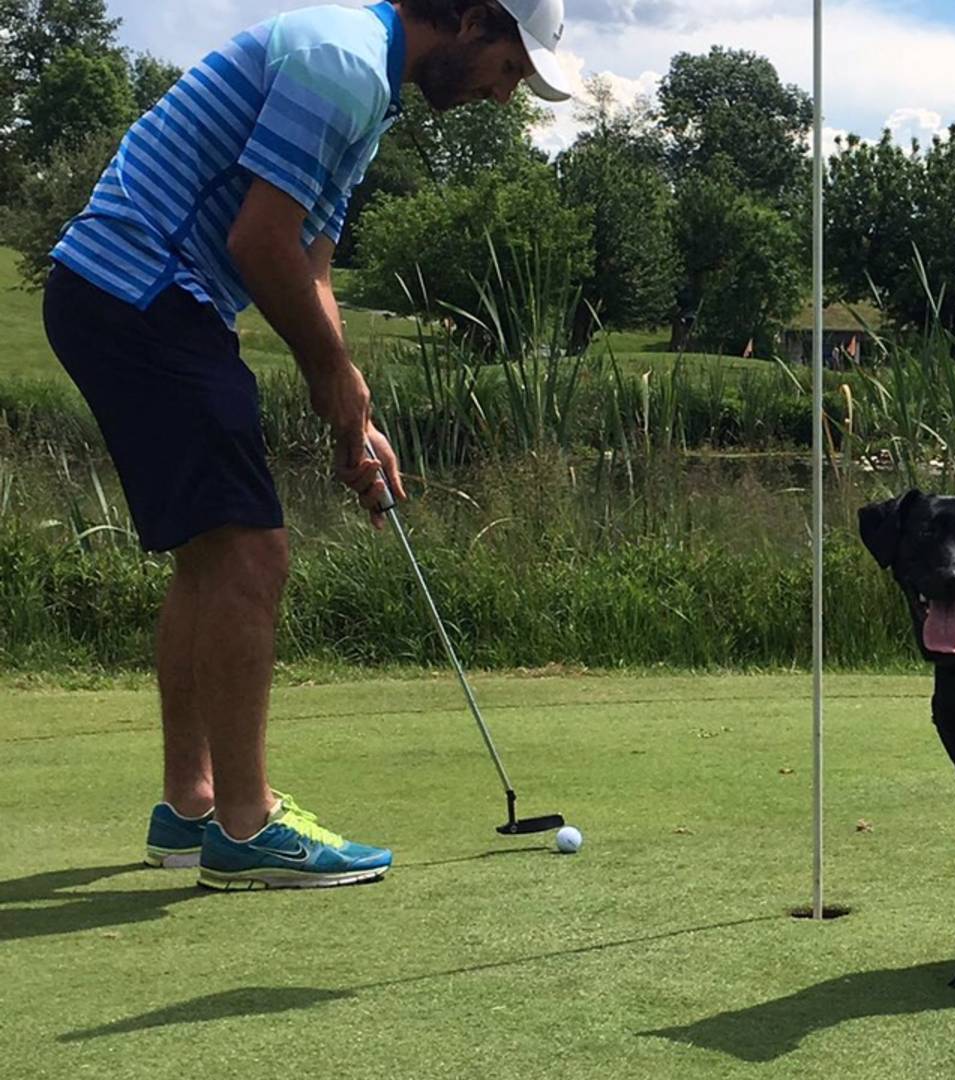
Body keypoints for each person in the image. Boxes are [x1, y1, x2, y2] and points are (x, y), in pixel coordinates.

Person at [39, 0, 572, 890]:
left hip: (127, 294)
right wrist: (331, 377)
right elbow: (259, 242)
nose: (502, 95)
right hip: (143, 288)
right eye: (510, 69)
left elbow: (312, 254)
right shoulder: (344, 64)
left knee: (212, 558)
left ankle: (191, 807)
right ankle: (246, 828)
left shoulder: (371, 81)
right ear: (476, 21)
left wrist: (350, 410)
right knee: (254, 556)